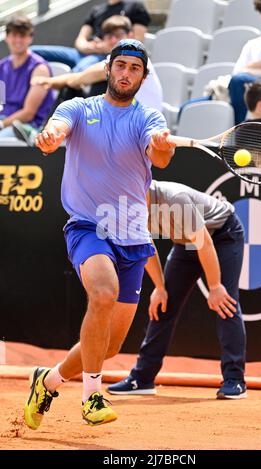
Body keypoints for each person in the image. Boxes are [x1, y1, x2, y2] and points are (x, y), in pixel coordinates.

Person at [24, 39, 176, 430]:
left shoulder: (149, 118)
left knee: (106, 347)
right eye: (120, 65)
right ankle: (93, 394)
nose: (126, 74)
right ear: (108, 68)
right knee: (103, 293)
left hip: (130, 231)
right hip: (88, 226)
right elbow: (56, 130)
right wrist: (50, 137)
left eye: (135, 69)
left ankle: (49, 381)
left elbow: (160, 155)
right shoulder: (78, 108)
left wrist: (161, 149)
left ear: (143, 76)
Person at [108, 180, 247, 399]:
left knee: (225, 303)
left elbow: (204, 243)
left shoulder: (175, 198)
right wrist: (160, 287)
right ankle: (142, 378)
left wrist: (215, 286)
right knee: (164, 304)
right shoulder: (128, 207)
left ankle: (234, 380)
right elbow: (146, 247)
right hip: (185, 242)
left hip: (222, 235)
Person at [13, 16, 163, 145]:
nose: (113, 40)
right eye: (108, 36)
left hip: (140, 128)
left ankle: (44, 134)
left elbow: (80, 79)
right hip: (121, 123)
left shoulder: (137, 58)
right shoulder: (117, 61)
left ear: (130, 34)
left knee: (76, 87)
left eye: (118, 35)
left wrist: (50, 82)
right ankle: (48, 134)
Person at [31, 0, 150, 72]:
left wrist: (106, 47)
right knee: (32, 52)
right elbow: (80, 39)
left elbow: (137, 41)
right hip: (84, 51)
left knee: (79, 70)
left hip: (106, 56)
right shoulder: (97, 9)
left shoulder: (135, 6)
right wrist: (88, 47)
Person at [0, 15, 54, 138]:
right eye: (14, 35)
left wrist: (2, 124)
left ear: (30, 38)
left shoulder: (39, 68)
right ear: (7, 37)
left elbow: (28, 113)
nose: (18, 40)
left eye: (23, 35)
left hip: (28, 128)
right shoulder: (2, 66)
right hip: (4, 120)